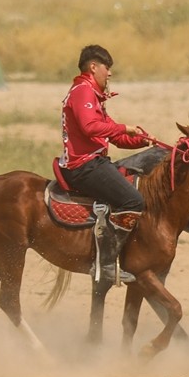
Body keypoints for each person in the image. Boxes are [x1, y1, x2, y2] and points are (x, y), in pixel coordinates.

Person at [59, 44, 151, 284]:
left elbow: (114, 136)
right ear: (93, 67)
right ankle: (107, 264)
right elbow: (90, 127)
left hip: (94, 162)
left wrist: (141, 140)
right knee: (134, 200)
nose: (109, 73)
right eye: (106, 67)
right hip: (84, 165)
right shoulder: (82, 91)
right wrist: (125, 127)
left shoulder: (93, 95)